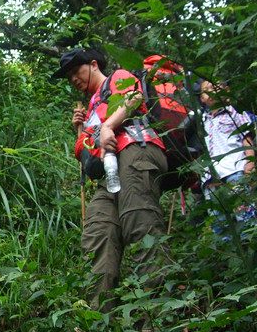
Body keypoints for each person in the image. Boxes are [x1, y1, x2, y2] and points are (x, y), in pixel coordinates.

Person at [54, 47, 172, 311]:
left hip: (135, 150)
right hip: (111, 172)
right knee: (99, 232)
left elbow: (134, 97)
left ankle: (160, 312)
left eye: (77, 70)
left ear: (94, 64)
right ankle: (99, 316)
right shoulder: (93, 104)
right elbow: (88, 154)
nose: (73, 78)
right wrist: (81, 129)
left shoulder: (117, 77)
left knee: (139, 223)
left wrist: (107, 126)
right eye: (69, 75)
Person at [197, 79, 257, 238]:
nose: (210, 92)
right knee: (219, 220)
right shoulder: (201, 121)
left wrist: (250, 163)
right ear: (202, 98)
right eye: (205, 90)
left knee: (244, 212)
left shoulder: (235, 115)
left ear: (226, 91)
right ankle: (227, 255)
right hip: (211, 177)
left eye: (214, 88)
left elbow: (246, 138)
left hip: (235, 169)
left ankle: (253, 246)